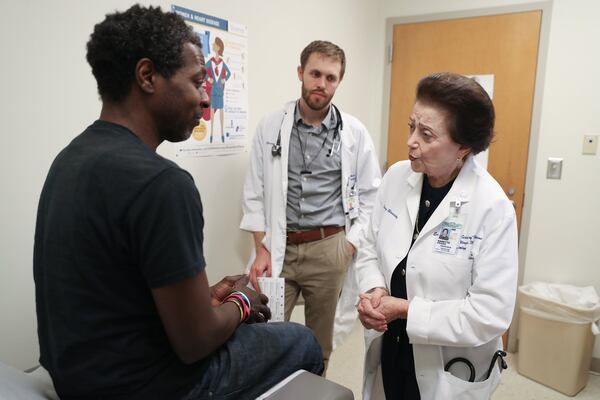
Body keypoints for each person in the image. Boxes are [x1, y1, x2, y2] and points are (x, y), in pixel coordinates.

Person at [33, 6, 322, 400]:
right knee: (303, 341)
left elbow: (115, 294)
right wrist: (242, 300)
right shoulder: (162, 184)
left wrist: (207, 298)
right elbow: (196, 341)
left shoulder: (70, 159)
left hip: (78, 378)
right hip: (148, 387)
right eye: (197, 81)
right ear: (148, 76)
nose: (205, 98)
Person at [356, 72, 518, 400]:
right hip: (391, 344)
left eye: (426, 134)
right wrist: (374, 289)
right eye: (411, 126)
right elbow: (370, 245)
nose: (411, 141)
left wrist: (404, 310)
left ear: (463, 147)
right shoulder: (396, 177)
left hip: (446, 366)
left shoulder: (492, 208)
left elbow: (489, 314)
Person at [240, 40, 381, 369]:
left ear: (338, 81)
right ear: (301, 73)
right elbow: (254, 191)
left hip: (329, 246)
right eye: (315, 74)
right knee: (267, 333)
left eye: (331, 77)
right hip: (279, 246)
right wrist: (260, 248)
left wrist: (349, 245)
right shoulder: (270, 126)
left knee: (320, 342)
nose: (322, 84)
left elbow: (371, 195)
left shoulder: (355, 133)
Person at [206, 36, 231, 143]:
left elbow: (229, 73)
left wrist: (224, 79)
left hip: (220, 90)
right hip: (213, 90)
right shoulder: (210, 62)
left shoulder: (222, 62)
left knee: (221, 112)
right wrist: (208, 78)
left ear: (218, 47)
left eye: (214, 44)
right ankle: (211, 133)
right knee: (212, 111)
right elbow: (203, 71)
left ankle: (221, 134)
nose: (212, 46)